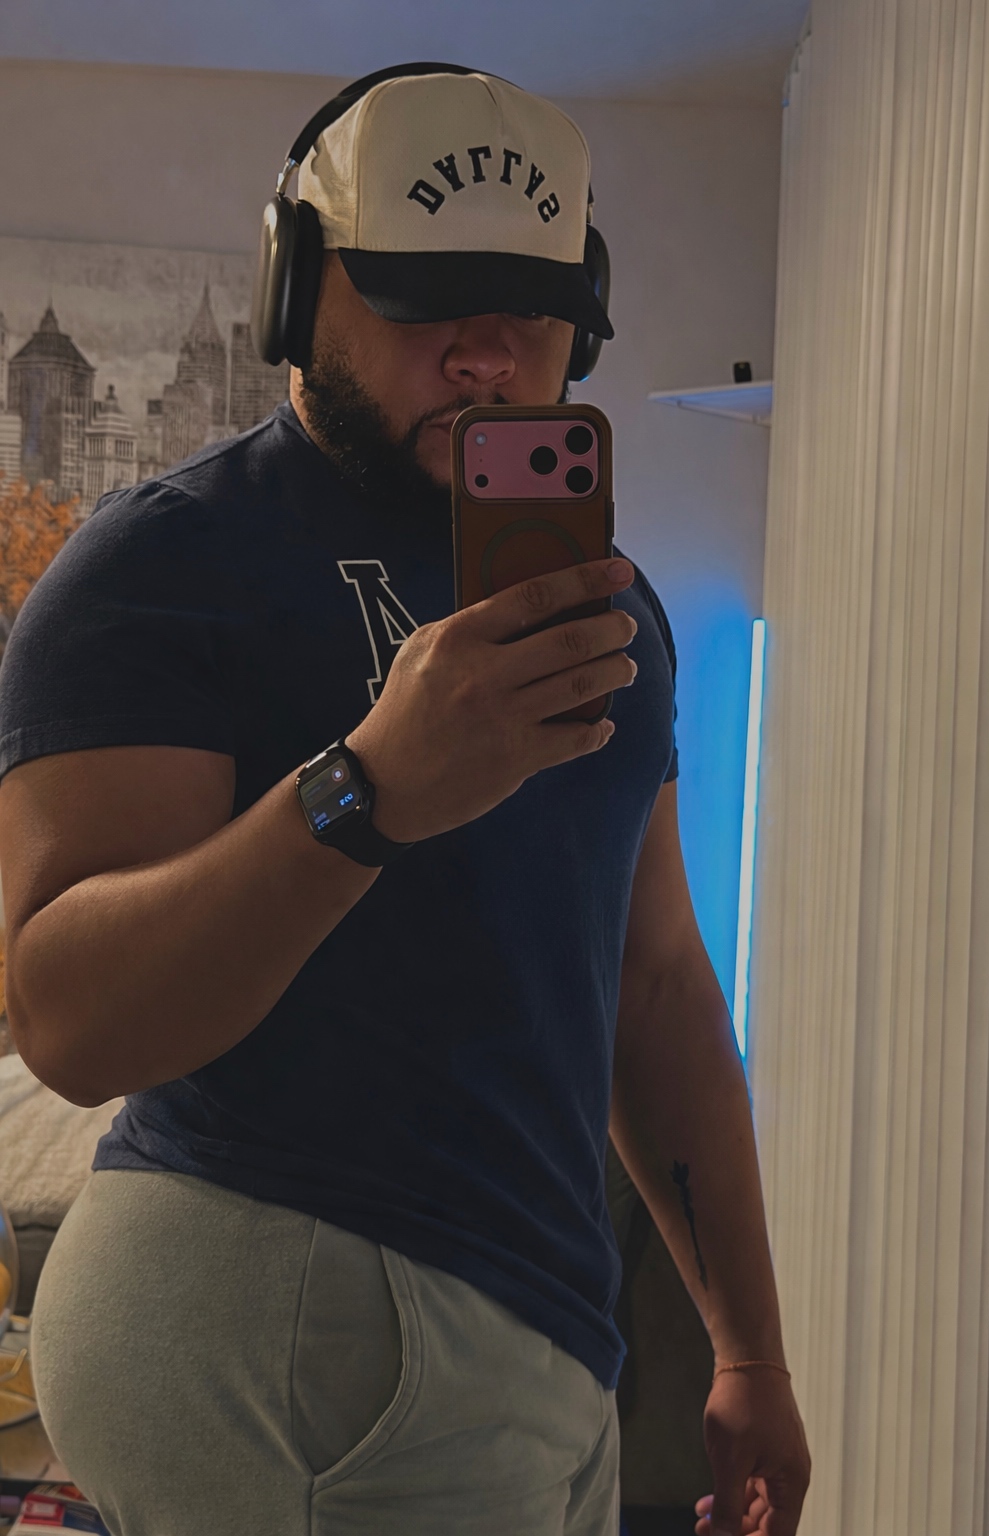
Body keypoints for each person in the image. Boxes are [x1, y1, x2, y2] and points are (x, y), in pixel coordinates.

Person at [0, 64, 809, 1536]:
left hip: (538, 1325)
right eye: (426, 300)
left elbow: (652, 981)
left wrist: (746, 1344)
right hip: (283, 1306)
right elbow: (67, 1022)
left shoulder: (603, 604)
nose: (490, 356)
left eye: (534, 309)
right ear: (296, 292)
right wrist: (367, 791)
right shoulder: (160, 565)